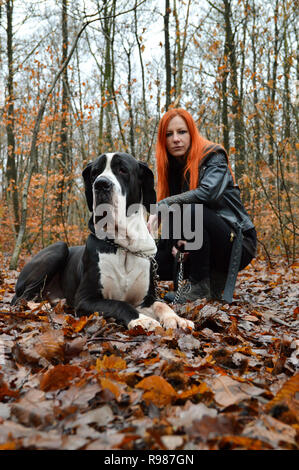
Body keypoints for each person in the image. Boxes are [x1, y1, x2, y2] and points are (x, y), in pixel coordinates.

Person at [147, 108, 257, 304]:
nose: (176, 139)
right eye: (169, 134)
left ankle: (199, 286)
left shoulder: (213, 155)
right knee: (153, 260)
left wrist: (163, 205)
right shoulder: (171, 169)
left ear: (191, 132)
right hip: (200, 238)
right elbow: (176, 218)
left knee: (193, 210)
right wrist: (177, 242)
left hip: (236, 242)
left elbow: (208, 194)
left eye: (182, 132)